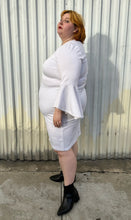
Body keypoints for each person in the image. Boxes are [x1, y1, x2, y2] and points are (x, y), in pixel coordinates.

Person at [39, 10, 88, 216]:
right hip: (64, 107)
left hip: (62, 110)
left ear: (75, 28)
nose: (61, 22)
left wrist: (58, 110)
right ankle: (67, 174)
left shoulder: (69, 49)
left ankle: (70, 192)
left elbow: (68, 81)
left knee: (62, 150)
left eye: (67, 21)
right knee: (69, 142)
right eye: (61, 19)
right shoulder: (70, 47)